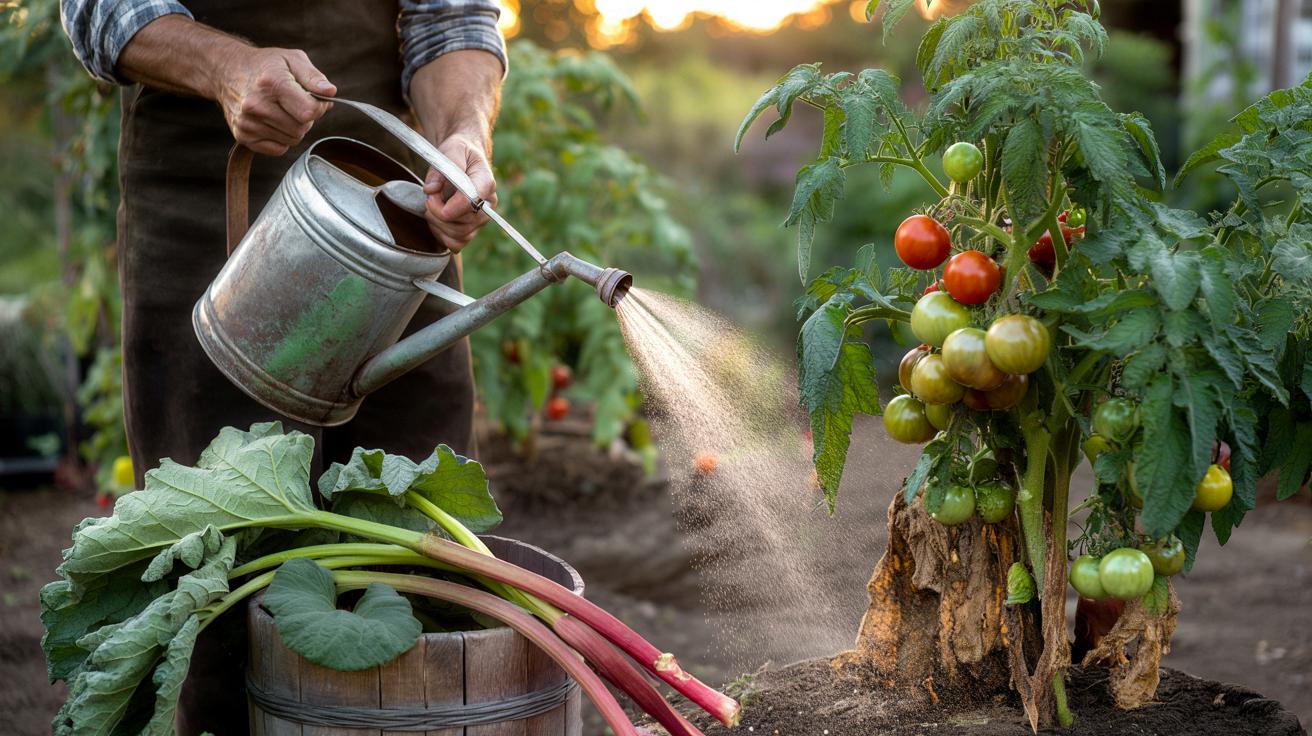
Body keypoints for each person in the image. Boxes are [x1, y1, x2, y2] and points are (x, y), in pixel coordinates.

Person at [60, 2, 506, 732]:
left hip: (394, 212)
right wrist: (227, 68)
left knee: (425, 548)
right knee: (220, 576)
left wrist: (461, 134)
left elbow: (451, 20)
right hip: (206, 205)